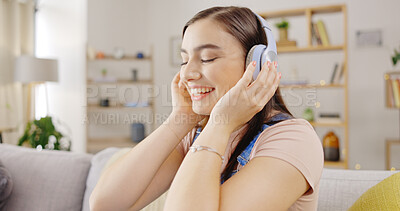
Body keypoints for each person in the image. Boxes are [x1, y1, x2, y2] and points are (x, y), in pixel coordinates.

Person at [90, 6, 324, 211]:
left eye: (208, 58)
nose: (188, 74)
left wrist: (220, 124)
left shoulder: (294, 139)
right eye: (184, 60)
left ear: (260, 64)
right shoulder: (195, 134)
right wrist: (180, 118)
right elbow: (105, 204)